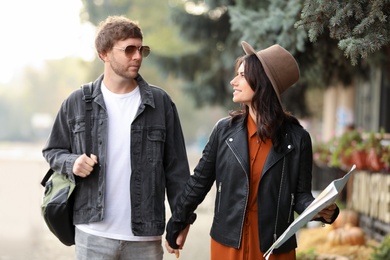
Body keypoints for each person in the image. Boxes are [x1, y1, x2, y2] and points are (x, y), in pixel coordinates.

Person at [165, 41, 339, 259]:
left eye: (242, 75)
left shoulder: (298, 138)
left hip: (274, 247)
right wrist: (177, 222)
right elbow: (199, 182)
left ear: (262, 83)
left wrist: (320, 210)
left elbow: (300, 195)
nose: (233, 81)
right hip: (228, 244)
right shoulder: (223, 131)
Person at [42, 15, 191, 260]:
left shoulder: (160, 103)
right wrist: (73, 163)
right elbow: (52, 151)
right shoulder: (78, 102)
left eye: (141, 49)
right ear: (105, 53)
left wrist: (182, 220)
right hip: (92, 233)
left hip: (145, 238)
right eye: (129, 49)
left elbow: (176, 170)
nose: (137, 56)